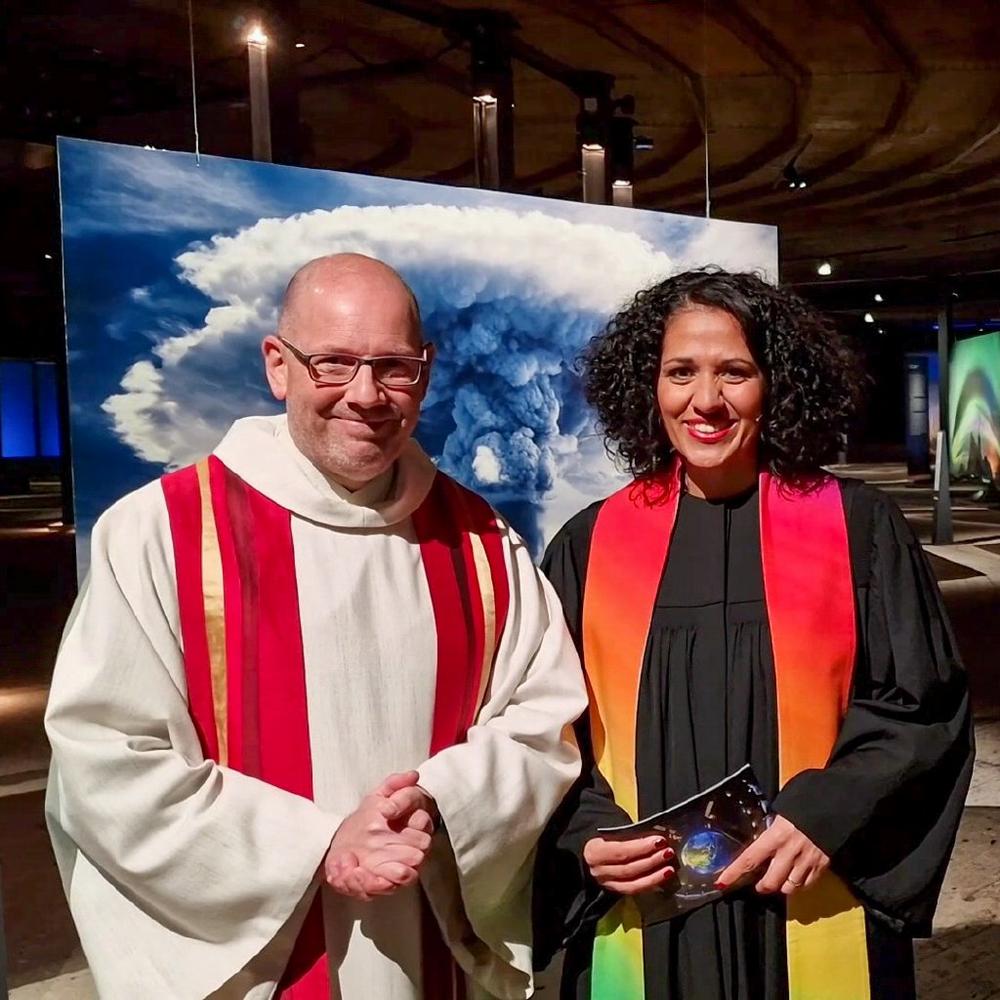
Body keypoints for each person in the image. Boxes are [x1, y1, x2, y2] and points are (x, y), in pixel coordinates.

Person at [45, 253, 587, 999]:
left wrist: (442, 801)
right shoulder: (161, 532)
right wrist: (316, 844)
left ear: (425, 374)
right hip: (267, 963)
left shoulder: (480, 541)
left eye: (394, 367)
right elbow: (103, 754)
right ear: (278, 365)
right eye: (333, 363)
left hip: (430, 948)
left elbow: (544, 718)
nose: (365, 395)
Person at [534, 269, 973, 999]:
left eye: (734, 372)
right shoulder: (590, 544)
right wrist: (589, 837)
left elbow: (922, 705)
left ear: (775, 384)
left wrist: (827, 812)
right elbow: (546, 724)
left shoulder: (857, 527)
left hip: (808, 888)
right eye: (681, 373)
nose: (705, 400)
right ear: (651, 388)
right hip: (650, 907)